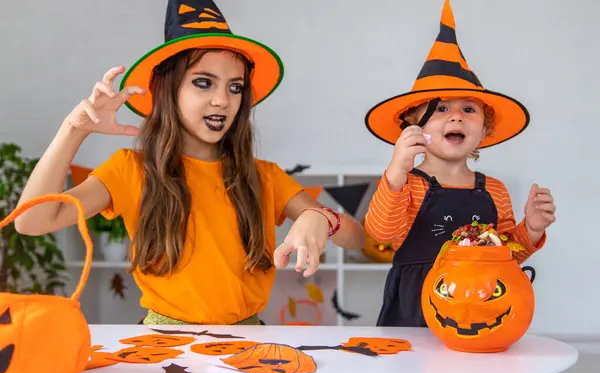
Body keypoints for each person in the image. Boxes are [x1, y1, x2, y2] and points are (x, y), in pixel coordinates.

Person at [14, 0, 365, 326]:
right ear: (169, 90)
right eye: (203, 83)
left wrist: (319, 217)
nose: (222, 100)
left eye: (235, 87)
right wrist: (73, 130)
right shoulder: (131, 170)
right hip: (162, 346)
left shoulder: (264, 176)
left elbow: (356, 238)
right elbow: (31, 222)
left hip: (249, 345)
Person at [363, 0, 556, 327]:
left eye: (469, 109)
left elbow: (507, 254)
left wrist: (532, 228)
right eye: (440, 109)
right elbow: (382, 233)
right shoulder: (407, 183)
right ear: (415, 126)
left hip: (478, 306)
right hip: (416, 311)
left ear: (484, 130)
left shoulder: (494, 189)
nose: (455, 115)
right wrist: (396, 172)